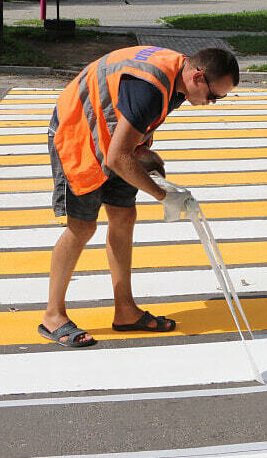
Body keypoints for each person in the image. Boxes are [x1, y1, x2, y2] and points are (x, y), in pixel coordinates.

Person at [39, 46, 240, 347]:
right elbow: (118, 158)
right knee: (82, 227)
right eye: (214, 95)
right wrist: (163, 195)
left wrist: (145, 154)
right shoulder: (152, 86)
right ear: (198, 75)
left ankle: (125, 311)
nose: (212, 102)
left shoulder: (180, 82)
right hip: (79, 131)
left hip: (113, 137)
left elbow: (130, 130)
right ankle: (52, 316)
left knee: (123, 215)